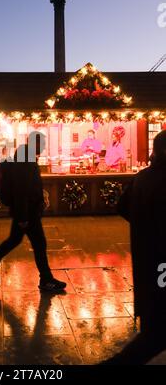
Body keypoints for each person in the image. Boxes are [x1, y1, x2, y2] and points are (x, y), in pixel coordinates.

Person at [102, 129, 166, 364]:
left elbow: (122, 207)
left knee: (153, 327)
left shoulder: (142, 177)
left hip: (148, 261)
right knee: (156, 334)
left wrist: (143, 225)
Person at [0, 131, 66, 292]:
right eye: (43, 144)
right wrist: (23, 216)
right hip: (28, 212)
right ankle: (46, 280)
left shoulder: (26, 157)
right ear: (36, 144)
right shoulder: (26, 160)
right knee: (39, 243)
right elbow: (21, 190)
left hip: (27, 210)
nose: (45, 147)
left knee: (14, 240)